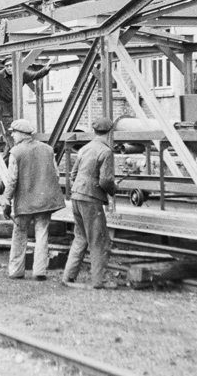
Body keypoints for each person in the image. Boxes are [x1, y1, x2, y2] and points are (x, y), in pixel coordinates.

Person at [4, 119, 65, 281]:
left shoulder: (16, 152)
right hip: (44, 202)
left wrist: (7, 200)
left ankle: (16, 271)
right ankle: (40, 271)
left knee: (19, 234)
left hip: (24, 202)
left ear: (21, 134)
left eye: (14, 132)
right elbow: (56, 175)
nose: (12, 135)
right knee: (42, 233)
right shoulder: (48, 149)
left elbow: (12, 180)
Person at [61, 116, 117, 289]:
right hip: (91, 200)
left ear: (94, 131)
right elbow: (106, 181)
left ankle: (68, 276)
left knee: (80, 237)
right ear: (110, 132)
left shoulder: (84, 148)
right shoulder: (106, 152)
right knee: (99, 241)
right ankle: (99, 281)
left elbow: (73, 174)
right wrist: (113, 190)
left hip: (77, 196)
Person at [0, 57, 53, 152]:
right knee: (10, 136)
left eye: (11, 65)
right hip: (3, 111)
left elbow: (35, 75)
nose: (9, 68)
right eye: (7, 66)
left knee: (15, 138)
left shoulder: (21, 73)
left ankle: (7, 160)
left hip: (15, 109)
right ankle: (18, 157)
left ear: (16, 65)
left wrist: (46, 69)